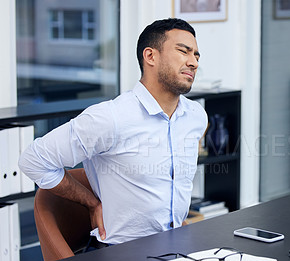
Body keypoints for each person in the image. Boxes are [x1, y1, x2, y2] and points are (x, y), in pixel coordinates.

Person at [19, 18, 208, 248]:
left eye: (196, 55)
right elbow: (33, 160)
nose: (193, 62)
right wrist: (90, 202)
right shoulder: (111, 118)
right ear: (150, 56)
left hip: (174, 247)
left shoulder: (196, 116)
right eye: (183, 51)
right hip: (120, 255)